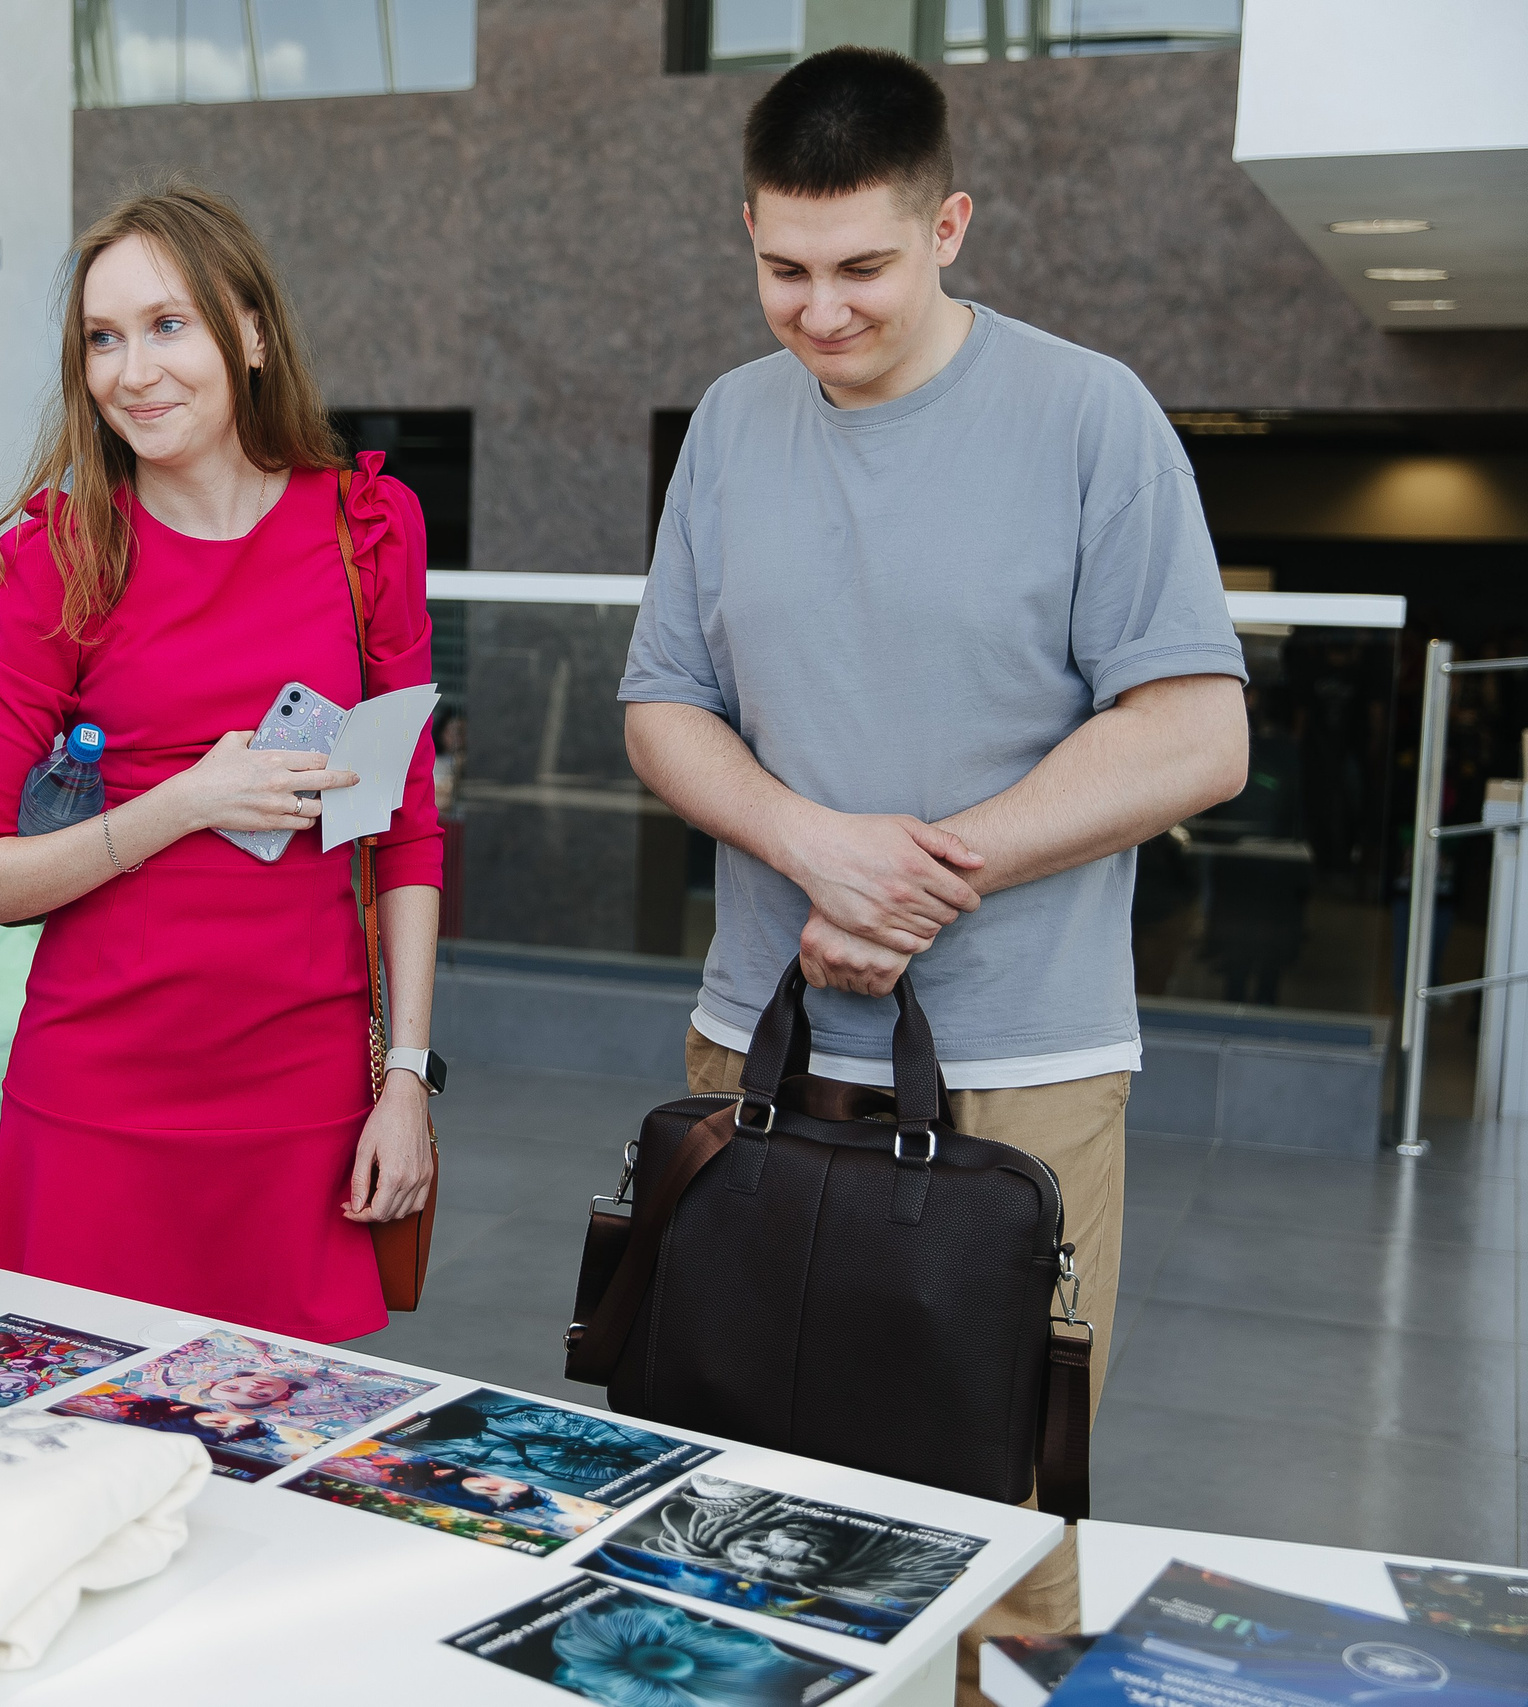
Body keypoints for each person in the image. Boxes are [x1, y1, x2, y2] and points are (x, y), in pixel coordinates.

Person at [615, 46, 1248, 1699]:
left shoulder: (1089, 414)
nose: (819, 310)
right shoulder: (734, 424)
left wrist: (920, 876)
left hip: (1017, 1075)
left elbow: (1197, 733)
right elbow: (665, 704)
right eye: (785, 269)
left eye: (863, 268)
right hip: (753, 1048)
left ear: (950, 225)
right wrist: (811, 844)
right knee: (738, 1487)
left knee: (995, 1526)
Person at [0, 181, 441, 1344]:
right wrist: (184, 800)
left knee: (276, 1432)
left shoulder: (367, 531)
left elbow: (405, 829)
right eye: (102, 339)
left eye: (167, 325)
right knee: (74, 1423)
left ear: (251, 333)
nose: (133, 371)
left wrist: (407, 1078)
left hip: (305, 1093)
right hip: (99, 1097)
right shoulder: (63, 558)